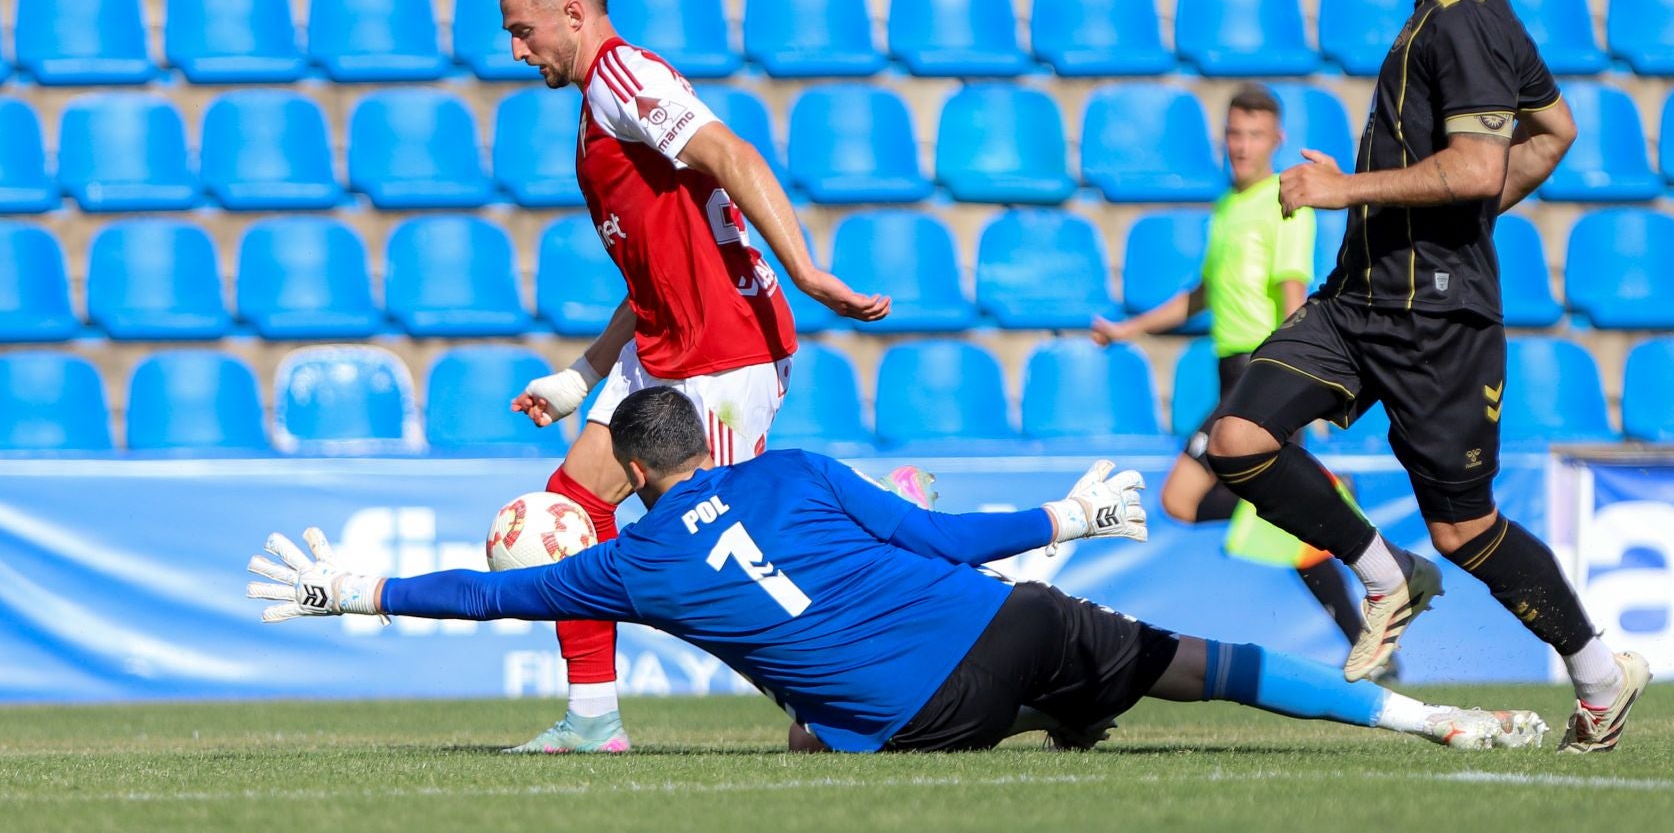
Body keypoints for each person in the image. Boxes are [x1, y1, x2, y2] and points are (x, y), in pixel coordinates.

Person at [248, 386, 1548, 755]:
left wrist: (342, 593)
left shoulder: (625, 568)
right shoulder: (795, 469)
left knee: (819, 725)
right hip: (1009, 626)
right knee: (1195, 668)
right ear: (704, 441)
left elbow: (479, 596)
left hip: (915, 726)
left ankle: (1064, 717)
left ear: (633, 477)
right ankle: (1430, 717)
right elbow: (936, 540)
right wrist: (1065, 512)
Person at [1203, 0, 1649, 754]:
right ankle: (1381, 573)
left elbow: (1481, 166)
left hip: (1437, 321)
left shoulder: (1467, 24)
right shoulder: (1474, 14)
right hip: (1363, 296)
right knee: (1238, 438)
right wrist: (1452, 216)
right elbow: (1555, 130)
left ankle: (1601, 675)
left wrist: (1344, 190)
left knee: (1465, 531)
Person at [493, 0, 900, 753]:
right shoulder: (599, 100)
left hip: (722, 352)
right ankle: (593, 720)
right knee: (574, 502)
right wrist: (585, 372)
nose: (516, 50)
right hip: (665, 346)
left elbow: (732, 153)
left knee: (720, 558)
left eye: (524, 29)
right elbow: (653, 263)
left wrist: (808, 271)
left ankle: (877, 677)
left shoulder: (621, 78)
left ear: (574, 13)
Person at [1091, 86, 1370, 659]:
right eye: (1234, 134)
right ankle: (1361, 628)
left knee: (1182, 499)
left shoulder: (1283, 201)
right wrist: (1129, 329)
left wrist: (1304, 380)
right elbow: (1202, 296)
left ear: (1277, 140)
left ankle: (1322, 518)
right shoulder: (1226, 208)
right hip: (1231, 376)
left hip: (1263, 373)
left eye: (1254, 135)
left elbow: (1295, 290)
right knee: (1270, 516)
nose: (1241, 146)